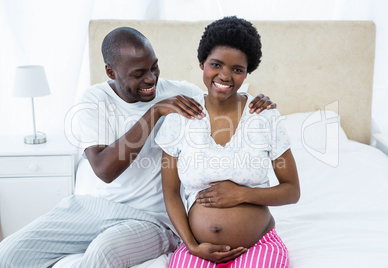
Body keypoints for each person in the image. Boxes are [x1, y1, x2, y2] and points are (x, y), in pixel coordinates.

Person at [0, 26, 277, 267]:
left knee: (103, 253)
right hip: (91, 207)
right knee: (9, 253)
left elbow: (223, 91)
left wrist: (259, 99)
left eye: (154, 67)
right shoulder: (93, 100)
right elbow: (104, 169)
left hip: (151, 219)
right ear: (111, 71)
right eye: (138, 73)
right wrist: (154, 112)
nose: (151, 79)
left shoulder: (182, 94)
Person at [155, 16, 300, 268]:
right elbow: (171, 193)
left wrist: (241, 194)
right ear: (202, 63)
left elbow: (292, 191)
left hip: (257, 244)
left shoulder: (263, 116)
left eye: (237, 69)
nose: (225, 76)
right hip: (199, 248)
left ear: (247, 72)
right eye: (216, 64)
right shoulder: (180, 118)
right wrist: (191, 245)